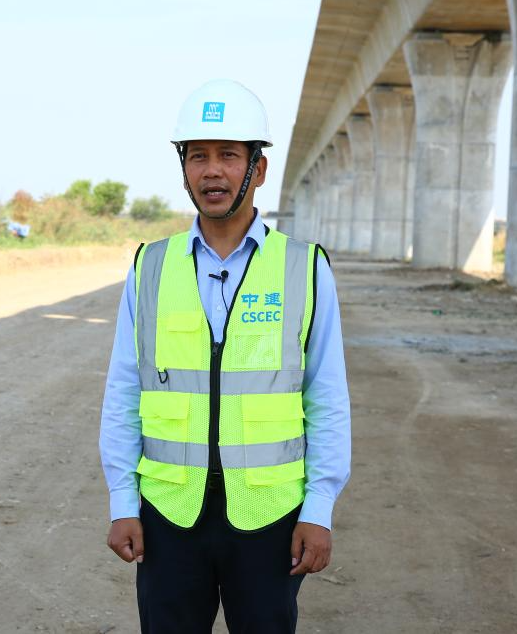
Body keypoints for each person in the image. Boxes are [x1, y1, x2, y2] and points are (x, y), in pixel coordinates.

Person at [98, 78, 351, 633]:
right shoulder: (150, 266)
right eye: (198, 156)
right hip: (168, 514)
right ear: (183, 169)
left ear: (258, 169)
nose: (212, 171)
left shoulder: (305, 267)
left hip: (270, 516)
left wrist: (319, 509)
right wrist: (122, 501)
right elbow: (124, 389)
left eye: (229, 155)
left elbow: (326, 396)